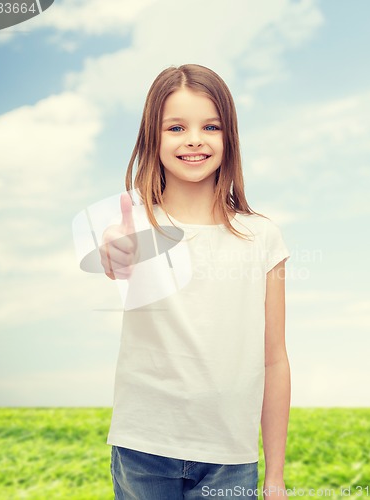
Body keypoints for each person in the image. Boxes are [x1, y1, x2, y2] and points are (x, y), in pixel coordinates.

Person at [100, 64, 291, 500]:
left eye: (210, 126)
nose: (194, 139)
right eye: (176, 127)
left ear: (230, 137)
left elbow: (274, 360)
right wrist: (115, 247)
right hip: (143, 448)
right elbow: (116, 250)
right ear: (154, 137)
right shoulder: (135, 225)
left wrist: (275, 476)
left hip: (229, 455)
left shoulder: (263, 236)